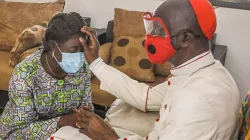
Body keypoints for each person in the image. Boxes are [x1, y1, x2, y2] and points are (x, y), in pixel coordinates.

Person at [74, 0, 241, 139]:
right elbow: (145, 96)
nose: (150, 38)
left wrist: (107, 136)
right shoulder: (198, 72)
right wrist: (96, 62)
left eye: (159, 30)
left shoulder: (198, 99)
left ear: (185, 38)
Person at [0, 12, 93, 139]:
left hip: (65, 134)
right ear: (54, 45)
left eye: (82, 50)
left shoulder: (82, 69)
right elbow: (19, 131)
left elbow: (86, 110)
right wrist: (62, 121)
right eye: (73, 50)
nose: (79, 56)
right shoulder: (25, 73)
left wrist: (85, 116)